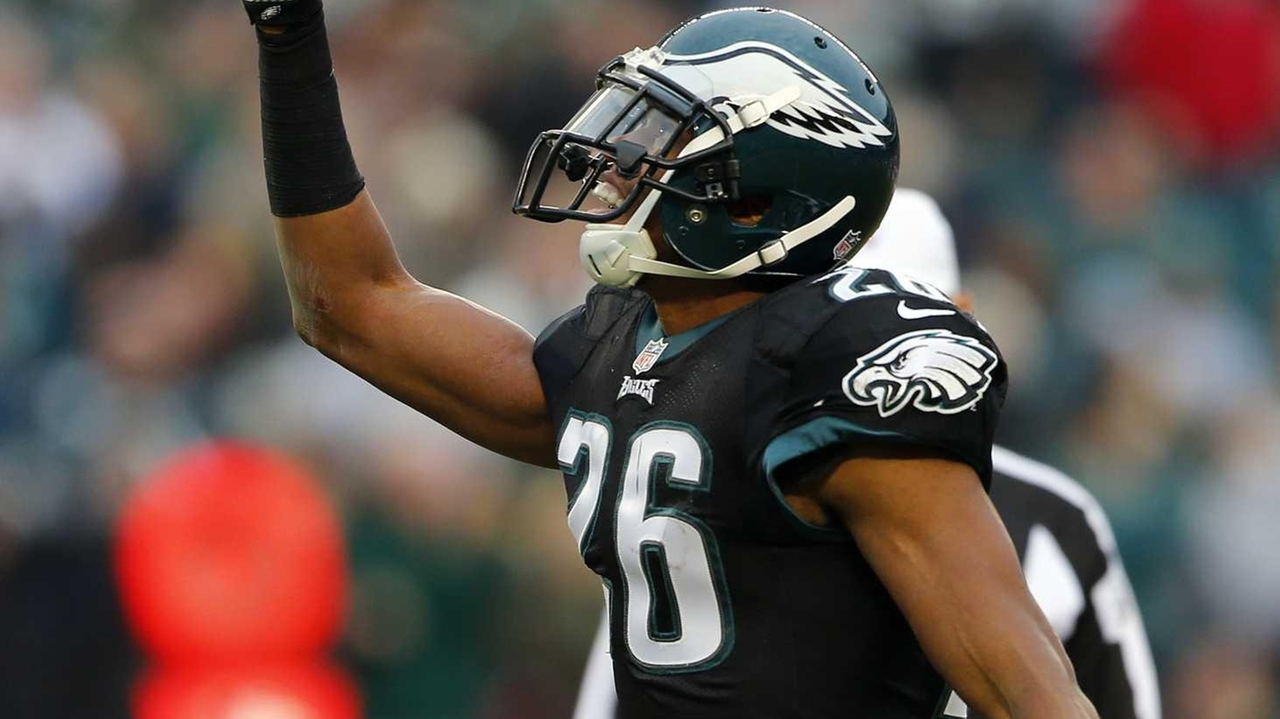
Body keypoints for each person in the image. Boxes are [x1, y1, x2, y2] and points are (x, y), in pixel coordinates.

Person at [241, 2, 1098, 716]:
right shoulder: (617, 347)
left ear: (752, 199)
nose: (619, 160)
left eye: (666, 135)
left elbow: (1025, 689)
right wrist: (290, 38)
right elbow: (348, 307)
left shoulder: (830, 367)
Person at [572, 189, 1162, 718]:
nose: (862, 348)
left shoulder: (1056, 519)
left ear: (960, 319)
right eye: (835, 324)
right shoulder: (698, 478)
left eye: (891, 320)